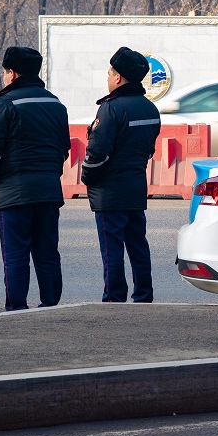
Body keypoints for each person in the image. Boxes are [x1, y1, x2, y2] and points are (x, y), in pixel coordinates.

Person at [0, 46, 70, 311]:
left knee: (16, 254)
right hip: (49, 190)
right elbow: (64, 148)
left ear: (12, 73)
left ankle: (17, 308)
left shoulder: (4, 104)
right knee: (48, 253)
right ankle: (50, 305)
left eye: (6, 72)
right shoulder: (55, 103)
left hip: (14, 193)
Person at [82, 47, 161, 303]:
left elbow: (97, 154)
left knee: (112, 249)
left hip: (109, 193)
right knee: (138, 246)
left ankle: (115, 297)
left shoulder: (110, 109)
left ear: (118, 78)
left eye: (109, 74)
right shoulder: (151, 109)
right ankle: (144, 295)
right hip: (136, 187)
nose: (107, 79)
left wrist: (88, 178)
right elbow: (149, 150)